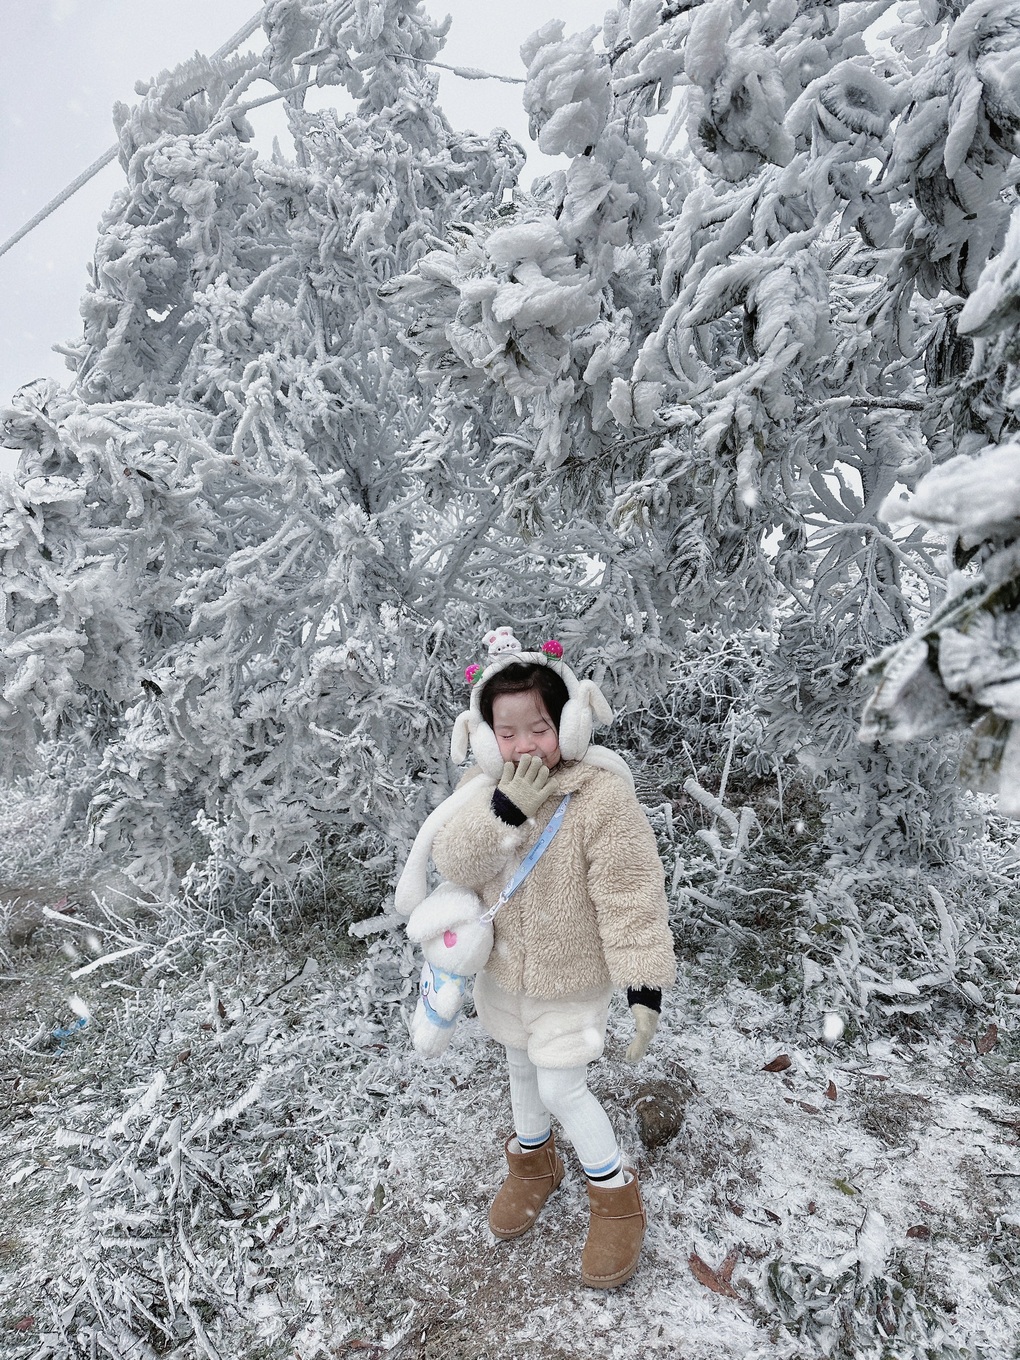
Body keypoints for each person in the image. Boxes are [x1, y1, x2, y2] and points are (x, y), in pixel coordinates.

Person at [400, 626, 675, 1290]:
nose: (526, 745)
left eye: (541, 727)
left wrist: (642, 986)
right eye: (509, 732)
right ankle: (533, 1163)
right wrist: (503, 809)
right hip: (505, 977)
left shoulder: (599, 797)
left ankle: (614, 1194)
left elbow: (630, 892)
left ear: (569, 725)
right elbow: (455, 861)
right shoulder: (483, 789)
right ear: (488, 737)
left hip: (572, 981)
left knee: (562, 1085)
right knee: (521, 1070)